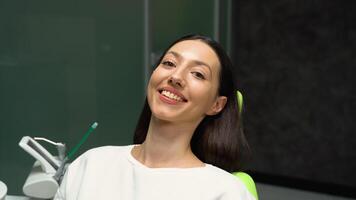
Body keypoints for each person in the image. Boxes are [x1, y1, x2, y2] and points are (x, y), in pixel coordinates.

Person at [54, 34, 254, 200]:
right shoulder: (90, 165)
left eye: (198, 74)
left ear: (216, 105)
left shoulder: (226, 192)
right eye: (169, 63)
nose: (176, 77)